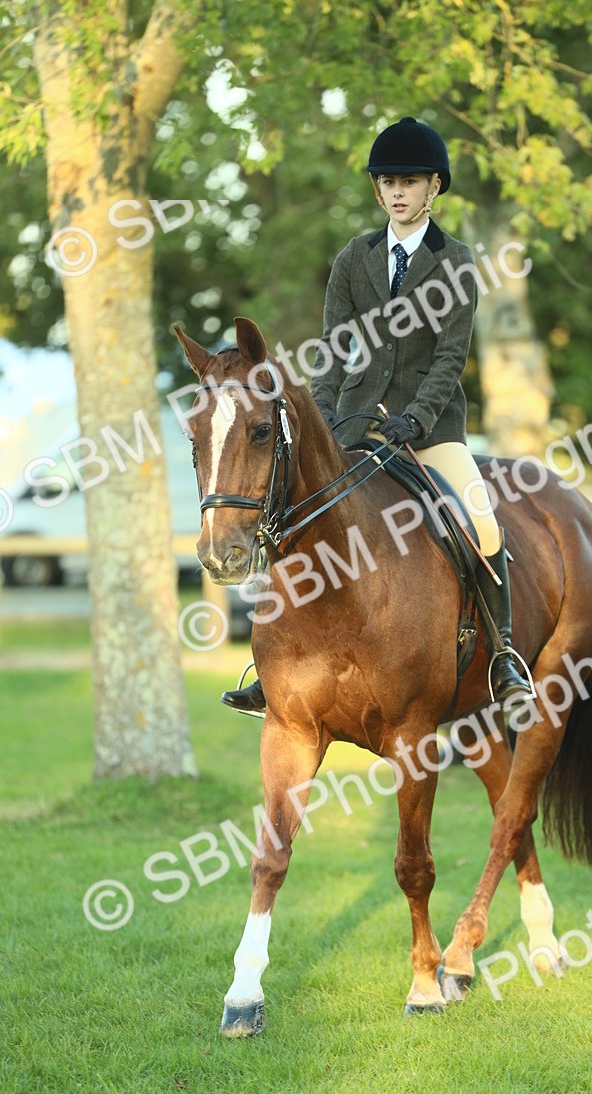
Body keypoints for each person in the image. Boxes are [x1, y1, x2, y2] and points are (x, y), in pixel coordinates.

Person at [223, 116, 532, 715]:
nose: (397, 191)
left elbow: (450, 358)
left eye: (410, 181)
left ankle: (503, 658)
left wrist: (415, 419)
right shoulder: (353, 259)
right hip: (357, 424)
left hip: (432, 430)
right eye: (388, 181)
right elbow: (335, 349)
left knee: (484, 525)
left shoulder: (457, 260)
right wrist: (328, 421)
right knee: (288, 512)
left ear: (434, 188)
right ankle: (270, 664)